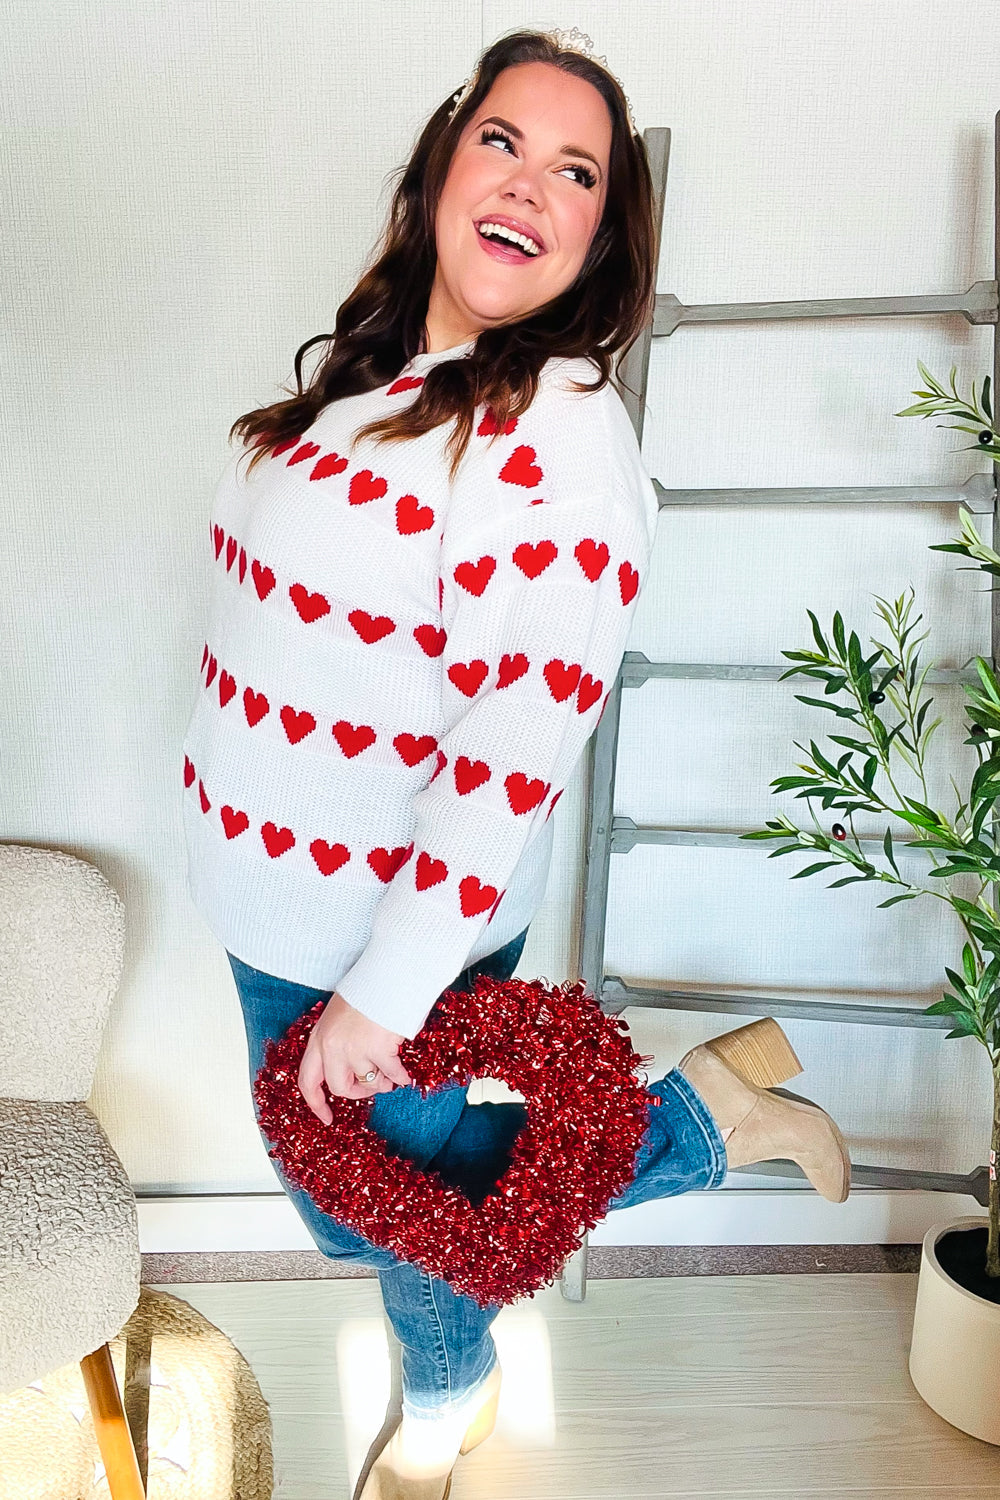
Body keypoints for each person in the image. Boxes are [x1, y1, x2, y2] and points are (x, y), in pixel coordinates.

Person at [181, 27, 851, 1500]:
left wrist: (388, 985)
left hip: (378, 930)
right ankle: (471, 1369)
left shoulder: (556, 434)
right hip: (277, 908)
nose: (529, 184)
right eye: (502, 139)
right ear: (443, 162)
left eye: (577, 171)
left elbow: (514, 755)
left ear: (600, 236)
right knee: (393, 1210)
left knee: (386, 1216)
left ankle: (679, 1148)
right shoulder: (386, 379)